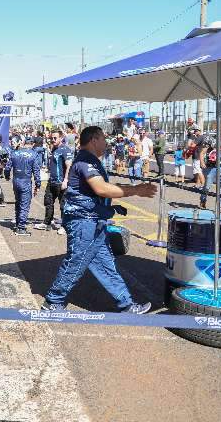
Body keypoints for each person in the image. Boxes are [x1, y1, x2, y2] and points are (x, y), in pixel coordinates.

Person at [41, 126, 157, 313]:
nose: (106, 143)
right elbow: (101, 188)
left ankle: (126, 303)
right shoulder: (85, 161)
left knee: (105, 264)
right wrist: (136, 191)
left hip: (93, 221)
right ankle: (53, 300)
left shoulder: (92, 161)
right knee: (76, 261)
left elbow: (100, 190)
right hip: (83, 222)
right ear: (94, 139)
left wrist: (108, 208)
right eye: (103, 138)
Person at [34, 128, 73, 233]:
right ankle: (47, 222)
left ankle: (64, 226)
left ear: (61, 138)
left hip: (61, 182)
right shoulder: (53, 149)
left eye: (55, 138)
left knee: (63, 205)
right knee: (48, 202)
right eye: (52, 138)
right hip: (52, 181)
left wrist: (65, 180)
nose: (53, 140)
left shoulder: (65, 149)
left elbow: (69, 165)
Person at [4, 137, 41, 236]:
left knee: (18, 202)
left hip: (16, 180)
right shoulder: (34, 154)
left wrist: (7, 176)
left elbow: (7, 167)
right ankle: (21, 227)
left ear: (24, 143)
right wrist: (38, 184)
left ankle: (17, 222)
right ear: (32, 144)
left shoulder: (14, 153)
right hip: (26, 181)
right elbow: (36, 171)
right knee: (24, 204)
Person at [199, 124, 221, 212]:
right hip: (211, 166)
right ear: (216, 128)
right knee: (207, 186)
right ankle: (203, 200)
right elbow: (202, 152)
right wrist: (202, 162)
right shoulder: (210, 138)